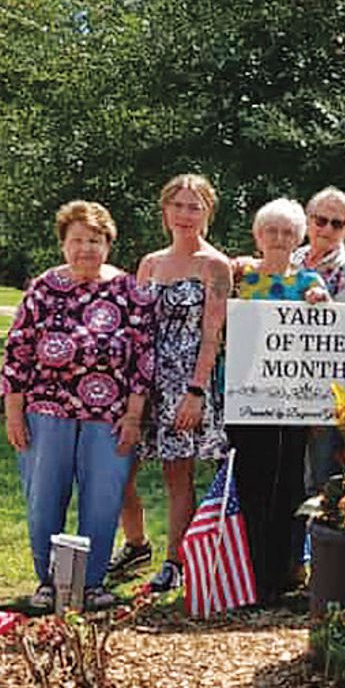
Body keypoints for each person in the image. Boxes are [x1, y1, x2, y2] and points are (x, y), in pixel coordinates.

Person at [0, 200, 153, 610]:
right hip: (46, 411)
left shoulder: (129, 290)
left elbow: (143, 358)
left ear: (109, 244)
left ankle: (91, 583)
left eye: (95, 240)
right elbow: (17, 351)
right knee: (44, 497)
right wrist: (13, 411)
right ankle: (49, 582)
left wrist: (134, 416)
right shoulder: (43, 289)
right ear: (64, 244)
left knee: (102, 498)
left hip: (110, 417)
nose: (87, 248)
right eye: (78, 240)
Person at [114, 174, 232, 591]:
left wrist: (196, 393)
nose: (185, 215)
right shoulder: (150, 263)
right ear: (165, 210)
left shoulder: (215, 266)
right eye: (178, 206)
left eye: (194, 207)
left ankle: (175, 561)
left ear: (207, 214)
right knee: (119, 467)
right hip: (143, 382)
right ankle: (136, 543)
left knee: (176, 474)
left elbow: (212, 334)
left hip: (185, 383)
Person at [229, 198, 329, 603]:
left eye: (288, 232)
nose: (279, 239)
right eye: (271, 231)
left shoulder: (308, 283)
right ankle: (248, 572)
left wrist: (322, 301)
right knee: (250, 481)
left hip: (292, 402)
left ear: (299, 238)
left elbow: (328, 325)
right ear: (258, 235)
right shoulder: (240, 276)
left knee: (289, 484)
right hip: (246, 397)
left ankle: (284, 572)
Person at [293, 186, 345, 491]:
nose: (327, 229)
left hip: (326, 388)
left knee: (320, 477)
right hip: (283, 382)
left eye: (337, 224)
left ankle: (315, 539)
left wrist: (327, 305)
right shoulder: (290, 258)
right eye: (320, 220)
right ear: (307, 220)